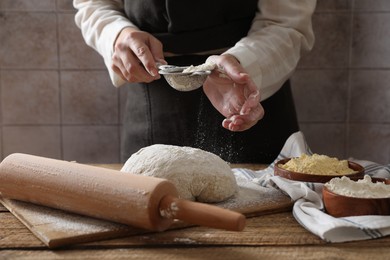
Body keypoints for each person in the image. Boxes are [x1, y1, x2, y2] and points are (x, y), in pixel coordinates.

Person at [73, 0, 316, 163]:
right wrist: (116, 34)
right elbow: (93, 3)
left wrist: (243, 63)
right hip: (152, 98)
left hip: (248, 91)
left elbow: (286, 22)